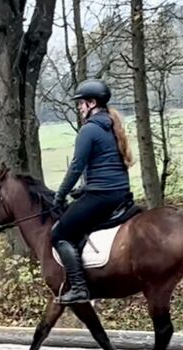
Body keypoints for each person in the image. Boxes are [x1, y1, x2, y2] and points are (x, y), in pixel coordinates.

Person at [52, 78, 135, 304]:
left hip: (102, 196)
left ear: (91, 103)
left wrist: (60, 196)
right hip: (120, 193)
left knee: (59, 234)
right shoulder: (112, 124)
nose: (79, 108)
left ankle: (79, 287)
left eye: (81, 103)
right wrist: (84, 189)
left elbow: (76, 167)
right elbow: (105, 165)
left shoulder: (89, 130)